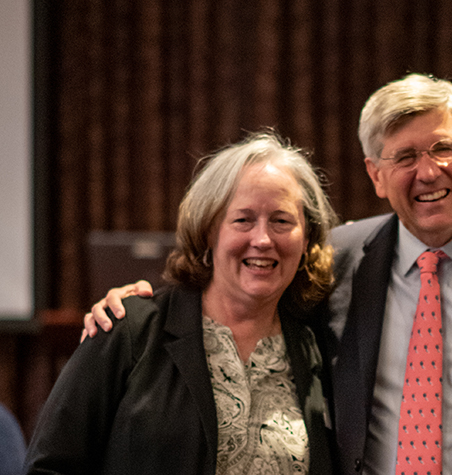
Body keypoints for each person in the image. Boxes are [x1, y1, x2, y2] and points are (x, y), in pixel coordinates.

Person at [84, 74, 452, 474]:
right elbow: (239, 287)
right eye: (405, 157)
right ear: (375, 175)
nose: (428, 172)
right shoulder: (337, 261)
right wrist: (135, 302)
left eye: (442, 149)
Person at [28, 132, 337, 474]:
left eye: (281, 221)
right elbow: (50, 466)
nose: (262, 239)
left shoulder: (318, 347)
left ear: (306, 237)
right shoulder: (130, 330)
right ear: (209, 230)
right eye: (243, 220)